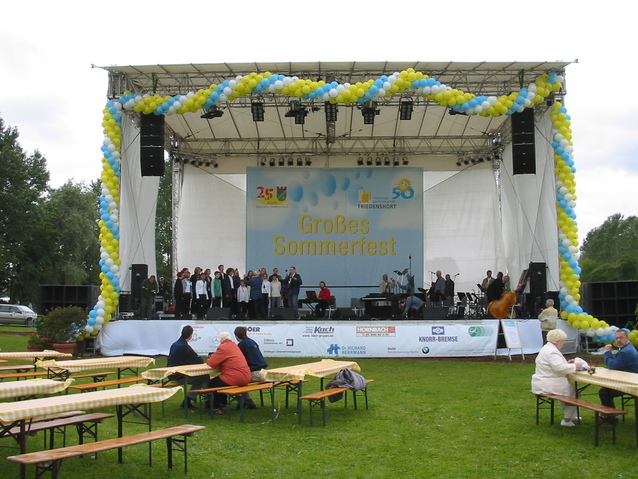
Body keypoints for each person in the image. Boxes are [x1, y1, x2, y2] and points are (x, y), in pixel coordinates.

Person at [531, 328, 583, 427]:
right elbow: (559, 368)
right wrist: (575, 366)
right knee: (573, 392)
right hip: (549, 384)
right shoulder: (552, 352)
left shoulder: (546, 348)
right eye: (562, 341)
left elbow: (554, 366)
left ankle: (573, 415)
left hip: (542, 382)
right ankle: (567, 420)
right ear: (557, 341)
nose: (563, 343)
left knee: (571, 390)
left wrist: (566, 364)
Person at [206, 332, 251, 414]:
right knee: (221, 381)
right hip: (246, 376)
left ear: (221, 340)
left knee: (212, 383)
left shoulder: (223, 347)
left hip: (235, 377)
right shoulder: (235, 346)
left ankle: (216, 407)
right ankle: (223, 404)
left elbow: (212, 363)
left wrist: (210, 358)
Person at [167, 325, 210, 409]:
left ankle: (188, 401)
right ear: (191, 335)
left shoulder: (175, 344)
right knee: (204, 377)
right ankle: (207, 400)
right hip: (178, 375)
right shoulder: (184, 347)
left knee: (200, 379)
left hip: (171, 373)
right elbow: (198, 360)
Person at [598, 329, 638, 411]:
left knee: (604, 392)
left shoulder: (626, 351)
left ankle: (611, 416)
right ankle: (610, 415)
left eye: (621, 338)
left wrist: (607, 352)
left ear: (627, 338)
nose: (618, 340)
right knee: (605, 390)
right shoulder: (628, 348)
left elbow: (612, 366)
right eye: (617, 338)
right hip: (629, 379)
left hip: (630, 384)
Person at [234, 326, 268, 409]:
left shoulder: (242, 345)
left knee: (233, 381)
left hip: (254, 373)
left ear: (236, 336)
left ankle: (243, 402)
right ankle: (249, 402)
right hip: (262, 372)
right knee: (240, 381)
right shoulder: (252, 342)